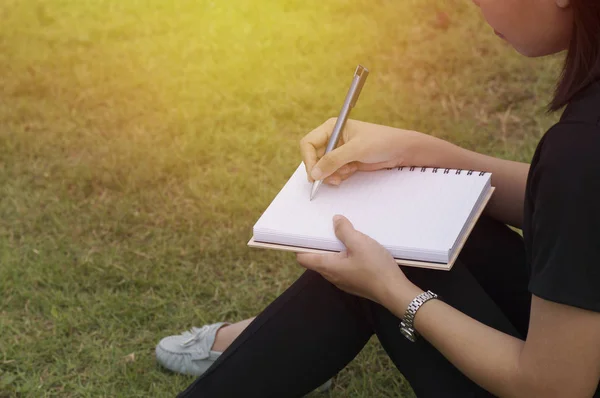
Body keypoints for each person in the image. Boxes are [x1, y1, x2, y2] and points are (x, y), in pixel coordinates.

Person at [157, 0, 600, 396]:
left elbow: (553, 386)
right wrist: (419, 152)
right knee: (432, 223)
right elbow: (572, 210)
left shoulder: (580, 152)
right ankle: (286, 347)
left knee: (384, 260)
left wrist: (392, 292)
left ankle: (279, 349)